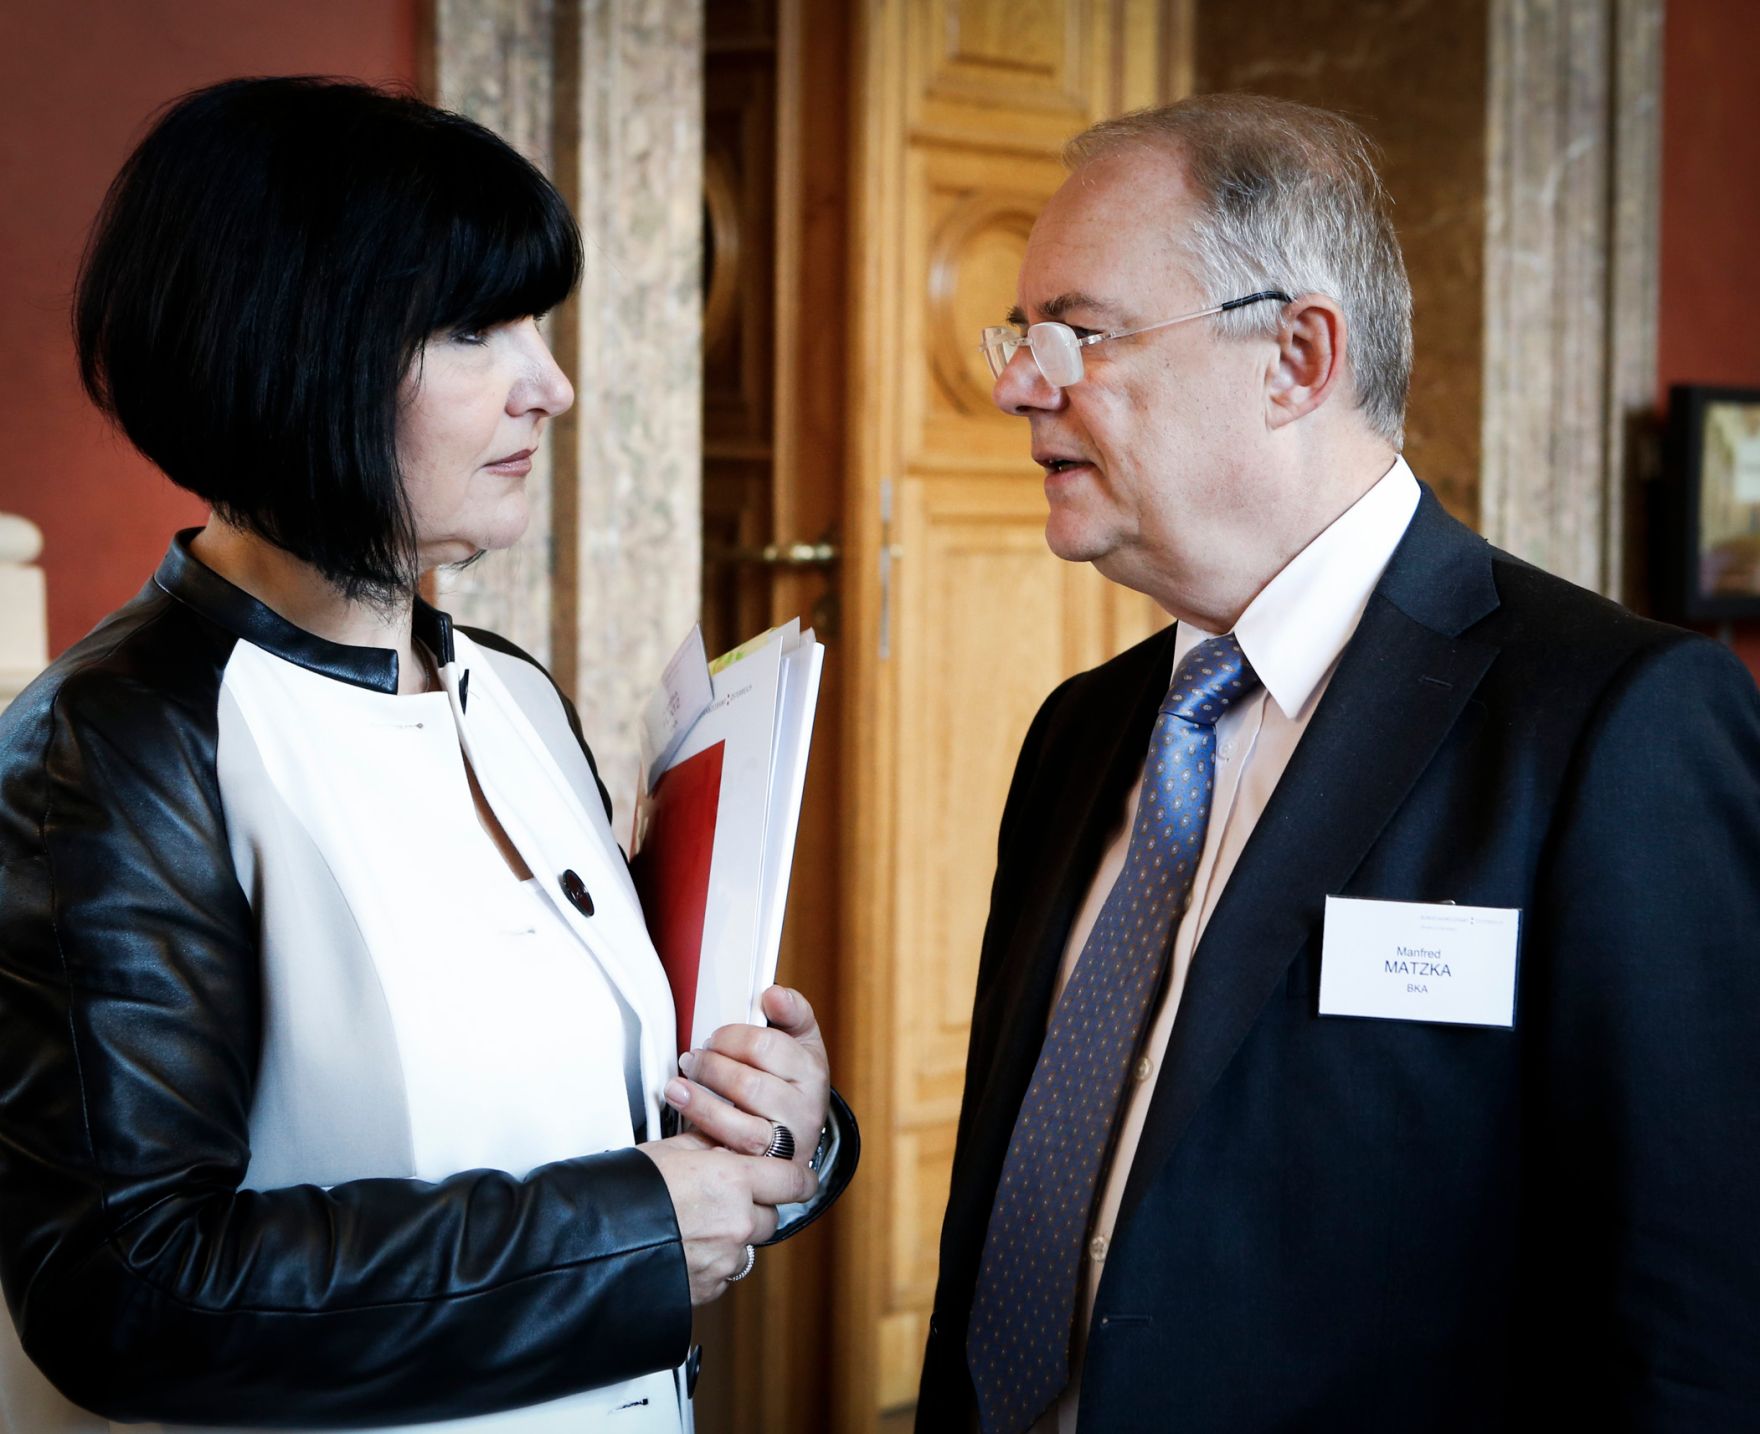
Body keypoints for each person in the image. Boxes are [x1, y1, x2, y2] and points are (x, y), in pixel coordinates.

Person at [0, 77, 855, 1434]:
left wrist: (786, 1130)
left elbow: (620, 1093)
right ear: (296, 348)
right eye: (474, 328)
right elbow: (128, 1285)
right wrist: (624, 1231)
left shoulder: (510, 691)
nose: (552, 385)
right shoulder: (119, 747)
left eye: (537, 322)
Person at [918, 92, 1760, 1433]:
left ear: (1297, 357)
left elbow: (1700, 1328)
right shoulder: (1078, 732)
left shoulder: (1618, 725)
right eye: (1023, 335)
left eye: (1079, 333)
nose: (1023, 381)